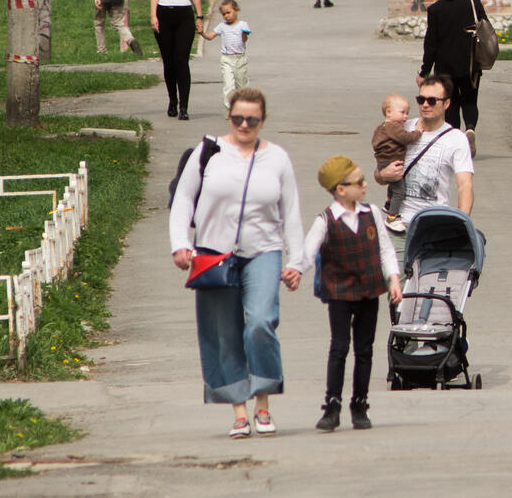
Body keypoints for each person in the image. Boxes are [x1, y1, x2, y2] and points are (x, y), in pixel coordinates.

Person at [169, 88, 304, 439]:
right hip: (214, 254)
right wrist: (181, 244)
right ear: (228, 117)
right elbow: (183, 199)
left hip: (264, 251)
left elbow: (290, 213)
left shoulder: (277, 158)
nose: (244, 125)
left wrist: (298, 261)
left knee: (259, 322)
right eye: (238, 118)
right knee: (225, 334)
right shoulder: (208, 152)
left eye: (252, 120)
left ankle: (263, 405)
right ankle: (240, 412)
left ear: (263, 121)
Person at [302, 156, 401, 432]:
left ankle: (360, 403)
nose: (365, 184)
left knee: (365, 349)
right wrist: (295, 270)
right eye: (359, 181)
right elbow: (308, 251)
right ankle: (332, 404)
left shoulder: (372, 213)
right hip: (340, 293)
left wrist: (393, 278)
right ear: (341, 189)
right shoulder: (325, 220)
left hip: (370, 289)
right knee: (340, 346)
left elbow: (385, 249)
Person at [376, 73, 474, 235]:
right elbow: (379, 172)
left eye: (432, 100)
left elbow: (465, 185)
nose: (425, 105)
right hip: (399, 225)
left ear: (447, 103)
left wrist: (462, 225)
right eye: (421, 100)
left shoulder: (457, 139)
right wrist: (384, 174)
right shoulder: (402, 129)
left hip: (434, 227)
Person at [420, 0, 488, 157]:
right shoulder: (473, 2)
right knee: (470, 100)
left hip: (445, 68)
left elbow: (431, 43)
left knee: (451, 104)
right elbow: (485, 28)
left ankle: (457, 139)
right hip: (470, 63)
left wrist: (424, 71)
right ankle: (471, 128)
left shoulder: (435, 10)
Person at [149, 0, 202, 119]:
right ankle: (172, 100)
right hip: (164, 13)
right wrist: (153, 15)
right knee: (169, 62)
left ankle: (184, 107)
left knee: (182, 61)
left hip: (184, 14)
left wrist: (200, 16)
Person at [370, 94, 417, 234]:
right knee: (399, 190)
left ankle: (389, 203)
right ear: (389, 112)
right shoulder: (394, 127)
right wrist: (418, 133)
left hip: (384, 161)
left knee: (393, 186)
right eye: (402, 112)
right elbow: (405, 138)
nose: (405, 117)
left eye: (407, 113)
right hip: (392, 161)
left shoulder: (382, 127)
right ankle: (392, 217)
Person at [202, 0, 251, 107]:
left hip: (240, 59)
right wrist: (202, 33)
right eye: (224, 14)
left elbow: (244, 39)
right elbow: (210, 37)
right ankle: (230, 108)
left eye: (228, 12)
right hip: (227, 59)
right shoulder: (222, 26)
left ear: (236, 10)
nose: (226, 16)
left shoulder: (243, 25)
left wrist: (244, 35)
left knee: (242, 85)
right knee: (228, 85)